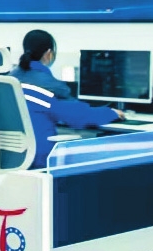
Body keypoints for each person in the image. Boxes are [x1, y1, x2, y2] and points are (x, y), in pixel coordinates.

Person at [10, 29, 122, 167]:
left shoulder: (8, 80)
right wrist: (111, 113)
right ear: (49, 54)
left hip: (8, 157)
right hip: (40, 160)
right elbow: (80, 116)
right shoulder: (49, 87)